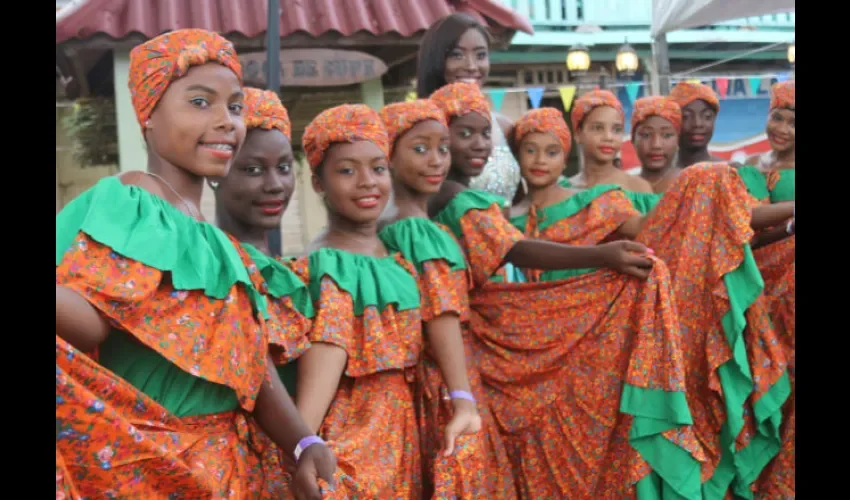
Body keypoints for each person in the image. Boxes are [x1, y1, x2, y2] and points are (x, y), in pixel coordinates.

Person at [55, 29, 335, 499]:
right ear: (147, 114)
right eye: (200, 102)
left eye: (235, 106)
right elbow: (90, 322)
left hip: (227, 470)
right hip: (154, 468)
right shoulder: (133, 199)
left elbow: (249, 363)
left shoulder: (216, 242)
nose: (227, 121)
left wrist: (302, 441)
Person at [428, 82, 704, 499]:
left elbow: (656, 230)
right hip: (489, 343)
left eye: (485, 133)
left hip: (535, 336)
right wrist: (602, 258)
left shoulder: (605, 199)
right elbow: (514, 250)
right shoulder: (463, 198)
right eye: (462, 133)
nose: (478, 143)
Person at [508, 102, 792, 497]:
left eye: (551, 150)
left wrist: (782, 217)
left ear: (565, 149)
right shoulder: (502, 217)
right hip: (524, 355)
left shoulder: (603, 201)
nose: (541, 160)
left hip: (595, 347)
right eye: (531, 150)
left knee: (598, 452)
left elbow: (674, 222)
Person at [284, 104, 471, 497]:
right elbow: (327, 353)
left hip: (407, 432)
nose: (367, 182)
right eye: (347, 171)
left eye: (378, 168)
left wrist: (460, 399)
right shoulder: (331, 264)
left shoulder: (395, 256)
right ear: (317, 182)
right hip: (361, 440)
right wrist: (299, 450)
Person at [377, 99, 515, 498]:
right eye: (419, 149)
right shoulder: (419, 231)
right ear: (388, 153)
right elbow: (442, 316)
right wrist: (462, 398)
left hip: (421, 384)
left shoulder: (389, 226)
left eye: (441, 147)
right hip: (447, 381)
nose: (436, 160)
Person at [209, 87, 320, 496]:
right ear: (217, 170)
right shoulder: (213, 265)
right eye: (253, 170)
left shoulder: (293, 272)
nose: (276, 185)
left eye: (285, 167)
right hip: (241, 471)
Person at [417, 13, 522, 204]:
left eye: (481, 55)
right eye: (457, 55)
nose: (472, 66)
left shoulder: (505, 127)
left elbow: (520, 201)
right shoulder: (417, 128)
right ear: (436, 60)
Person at [566, 90, 654, 194]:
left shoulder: (638, 189)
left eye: (617, 129)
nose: (608, 137)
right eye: (597, 128)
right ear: (578, 134)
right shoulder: (563, 191)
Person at [669, 81, 724, 168]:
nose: (697, 124)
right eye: (686, 116)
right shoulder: (660, 177)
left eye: (707, 116)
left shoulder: (730, 172)